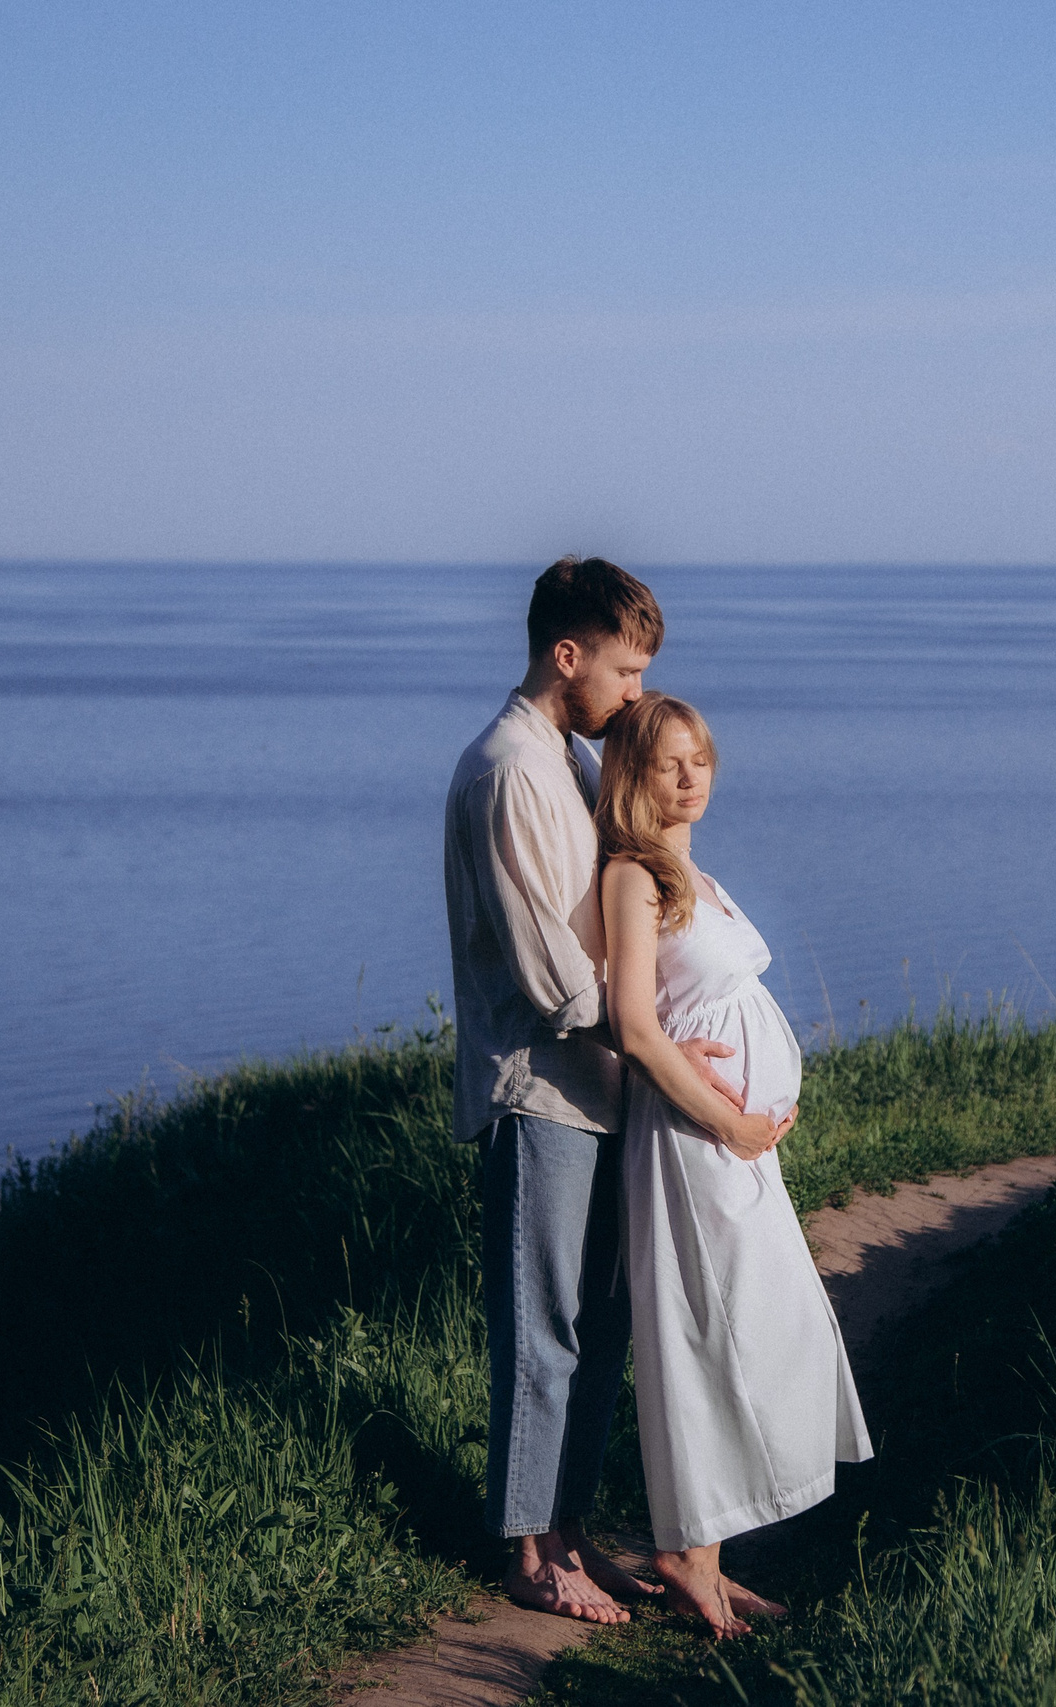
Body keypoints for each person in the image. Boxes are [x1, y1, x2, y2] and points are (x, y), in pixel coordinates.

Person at [441, 558, 751, 1624]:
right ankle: (530, 1552)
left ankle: (568, 1532)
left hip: (603, 1090)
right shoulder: (514, 772)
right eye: (623, 668)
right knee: (546, 1326)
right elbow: (549, 976)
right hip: (543, 1093)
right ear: (564, 655)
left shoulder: (569, 760)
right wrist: (656, 1037)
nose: (632, 691)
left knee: (603, 1324)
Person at [597, 695, 873, 1640]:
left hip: (733, 1144)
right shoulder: (634, 877)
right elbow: (637, 1024)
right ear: (634, 775)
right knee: (711, 1332)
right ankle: (686, 1553)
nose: (691, 777)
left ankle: (709, 1555)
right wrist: (728, 1119)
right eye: (671, 763)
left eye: (701, 759)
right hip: (693, 1142)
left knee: (764, 1326)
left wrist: (754, 1121)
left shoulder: (692, 873)